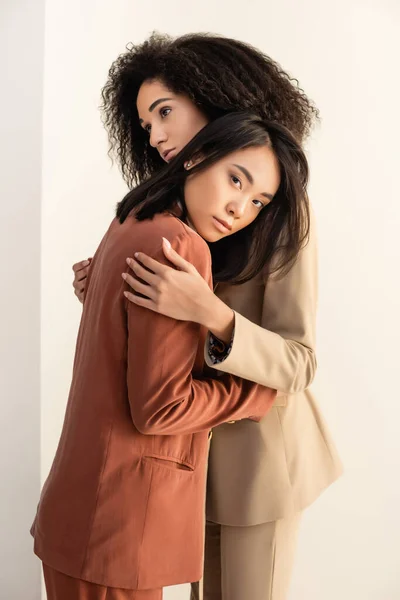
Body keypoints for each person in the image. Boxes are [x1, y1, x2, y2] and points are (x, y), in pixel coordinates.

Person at [72, 34, 343, 600]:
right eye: (147, 124)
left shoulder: (282, 207)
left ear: (211, 96)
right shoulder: (174, 205)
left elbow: (300, 362)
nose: (158, 135)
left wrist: (211, 311)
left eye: (165, 112)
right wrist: (114, 295)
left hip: (263, 462)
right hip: (188, 453)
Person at [31, 111, 311, 600]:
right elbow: (163, 406)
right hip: (120, 518)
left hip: (101, 507)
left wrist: (204, 312)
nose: (240, 207)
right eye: (235, 180)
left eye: (257, 200)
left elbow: (299, 360)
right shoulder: (181, 244)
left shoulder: (130, 218)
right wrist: (253, 394)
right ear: (199, 156)